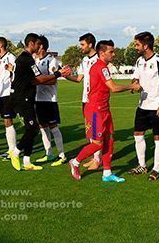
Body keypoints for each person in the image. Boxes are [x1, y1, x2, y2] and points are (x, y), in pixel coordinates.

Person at [68, 40, 137, 183]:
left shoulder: (102, 66)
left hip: (104, 109)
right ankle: (75, 162)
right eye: (111, 51)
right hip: (95, 111)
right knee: (98, 143)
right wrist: (133, 86)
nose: (114, 54)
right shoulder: (100, 67)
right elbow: (113, 87)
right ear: (102, 53)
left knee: (109, 141)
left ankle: (107, 173)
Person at [9, 33, 71, 171]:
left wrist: (56, 74)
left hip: (43, 99)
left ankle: (28, 161)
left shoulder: (45, 60)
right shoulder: (28, 59)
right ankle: (17, 152)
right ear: (32, 44)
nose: (38, 47)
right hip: (24, 99)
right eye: (36, 44)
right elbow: (37, 79)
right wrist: (59, 73)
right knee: (35, 128)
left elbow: (36, 79)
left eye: (39, 44)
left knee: (38, 128)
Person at [128, 32, 159, 180]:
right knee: (137, 134)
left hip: (156, 107)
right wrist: (134, 84)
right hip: (142, 106)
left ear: (145, 45)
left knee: (158, 137)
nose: (135, 47)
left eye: (137, 44)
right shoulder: (139, 61)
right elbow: (135, 77)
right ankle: (142, 165)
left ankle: (156, 169)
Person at [64, 33, 102, 170]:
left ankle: (97, 160)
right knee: (90, 131)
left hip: (96, 100)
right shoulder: (84, 60)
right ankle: (95, 158)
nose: (81, 47)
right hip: (85, 99)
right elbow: (79, 78)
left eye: (82, 44)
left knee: (96, 132)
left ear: (90, 44)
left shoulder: (100, 58)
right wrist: (66, 76)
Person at [34, 35, 67, 166]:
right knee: (42, 126)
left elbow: (53, 79)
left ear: (41, 46)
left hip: (49, 100)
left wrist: (38, 80)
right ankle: (49, 153)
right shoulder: (35, 61)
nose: (35, 47)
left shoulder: (51, 61)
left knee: (53, 126)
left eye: (37, 44)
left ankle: (62, 155)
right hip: (38, 99)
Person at [0, 36, 18, 160]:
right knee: (6, 122)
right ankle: (10, 149)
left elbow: (16, 73)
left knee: (8, 120)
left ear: (0, 45)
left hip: (9, 93)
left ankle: (13, 150)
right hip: (1, 93)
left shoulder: (10, 57)